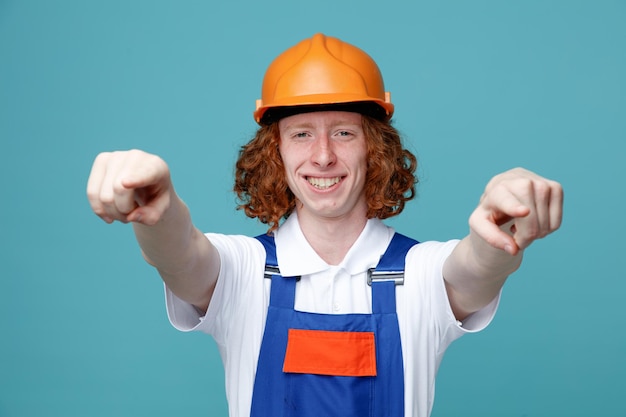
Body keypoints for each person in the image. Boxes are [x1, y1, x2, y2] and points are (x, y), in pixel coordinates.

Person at [86, 33, 563, 417]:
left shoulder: (421, 273)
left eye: (342, 132)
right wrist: (158, 207)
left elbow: (476, 266)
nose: (322, 156)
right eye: (301, 134)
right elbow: (180, 254)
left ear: (373, 150)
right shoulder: (243, 271)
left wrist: (501, 229)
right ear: (275, 153)